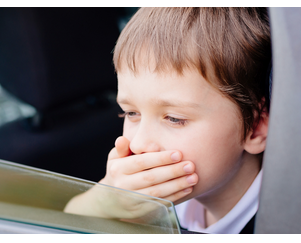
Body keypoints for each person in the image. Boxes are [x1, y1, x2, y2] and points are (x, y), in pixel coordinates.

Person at [64, 7, 271, 234]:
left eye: (174, 118)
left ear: (255, 127)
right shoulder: (149, 203)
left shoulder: (287, 222)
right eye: (131, 113)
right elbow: (65, 223)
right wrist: (106, 200)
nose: (138, 144)